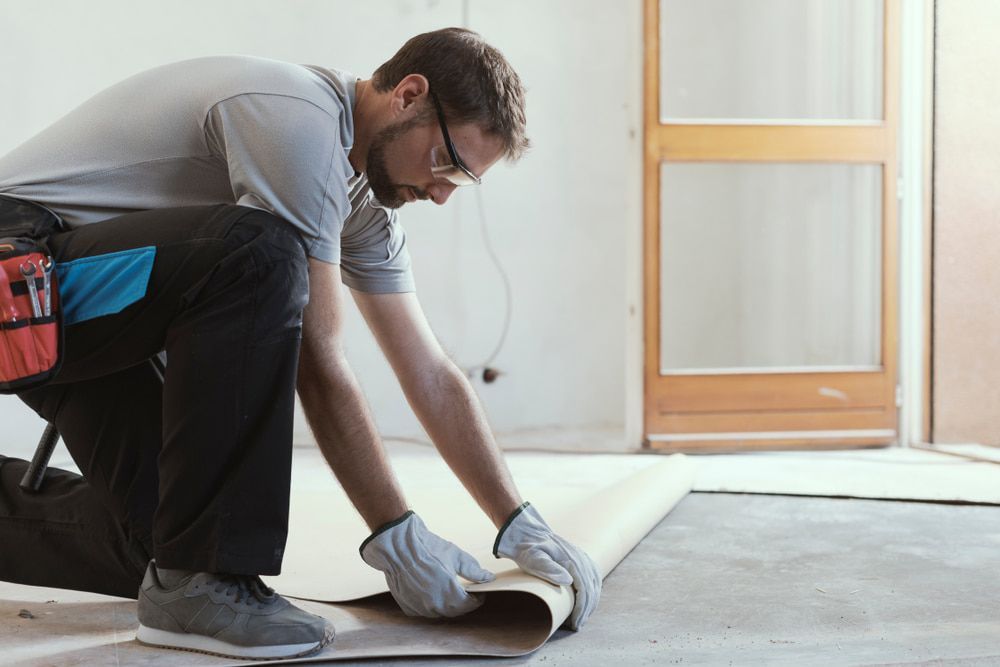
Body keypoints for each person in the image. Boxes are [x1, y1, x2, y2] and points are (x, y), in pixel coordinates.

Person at [0, 27, 600, 660]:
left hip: (78, 310)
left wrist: (515, 520)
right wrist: (393, 532)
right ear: (409, 95)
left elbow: (428, 370)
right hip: (18, 277)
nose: (444, 193)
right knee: (257, 256)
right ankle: (205, 584)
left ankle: (187, 574)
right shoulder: (297, 117)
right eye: (446, 163)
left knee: (166, 537)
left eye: (464, 180)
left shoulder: (363, 207)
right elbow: (318, 357)